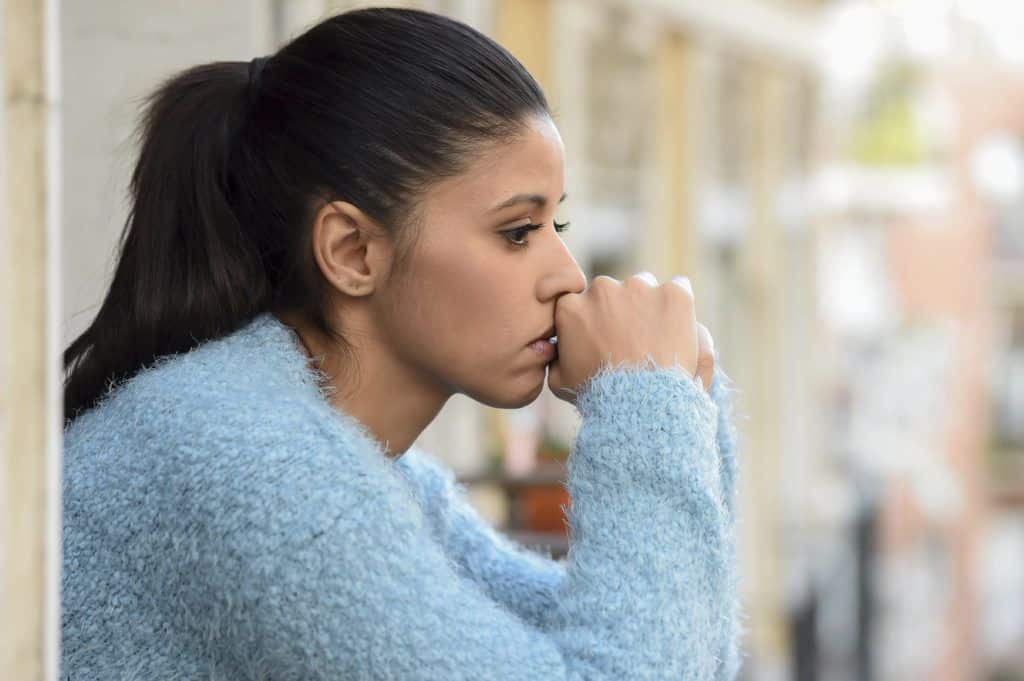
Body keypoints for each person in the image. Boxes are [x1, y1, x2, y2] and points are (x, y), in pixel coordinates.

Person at [61, 7, 744, 680]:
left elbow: (676, 649)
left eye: (555, 223)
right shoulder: (255, 465)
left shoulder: (361, 470)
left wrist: (684, 404)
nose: (567, 273)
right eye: (518, 231)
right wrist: (646, 401)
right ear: (353, 250)